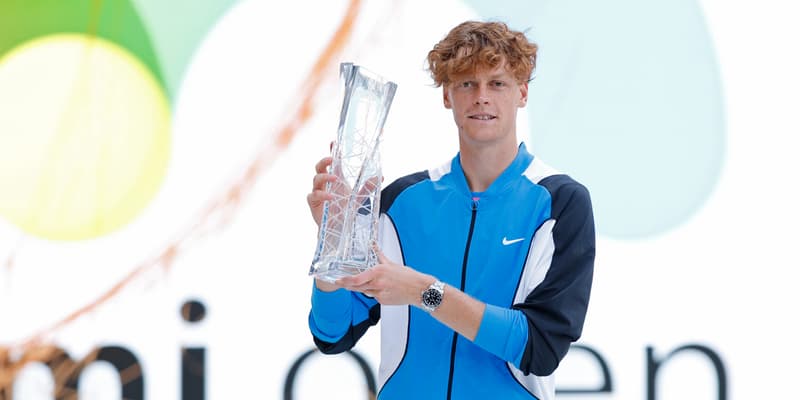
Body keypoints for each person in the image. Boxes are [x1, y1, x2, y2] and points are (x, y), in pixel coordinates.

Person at [306, 20, 595, 400]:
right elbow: (334, 333)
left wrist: (424, 291)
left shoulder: (558, 202)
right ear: (447, 95)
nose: (481, 97)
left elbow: (539, 348)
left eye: (497, 83)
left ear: (522, 93)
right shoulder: (401, 202)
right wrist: (334, 241)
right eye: (466, 84)